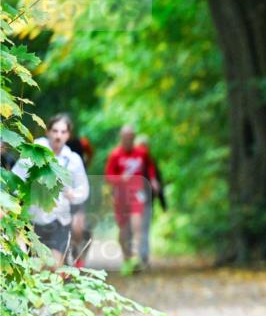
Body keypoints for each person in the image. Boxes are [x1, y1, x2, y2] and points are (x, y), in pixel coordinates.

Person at [12, 114, 90, 268]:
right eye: (55, 131)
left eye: (63, 132)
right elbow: (15, 180)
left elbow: (84, 189)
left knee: (54, 266)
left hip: (59, 220)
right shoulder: (34, 153)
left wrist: (74, 195)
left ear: (68, 135)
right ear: (47, 132)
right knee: (35, 268)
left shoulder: (73, 160)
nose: (58, 136)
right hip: (33, 219)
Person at [105, 125, 158, 270]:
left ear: (134, 138)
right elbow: (108, 176)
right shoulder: (115, 155)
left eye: (131, 138)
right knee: (124, 229)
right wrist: (120, 178)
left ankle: (137, 258)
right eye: (125, 138)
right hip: (121, 196)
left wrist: (153, 180)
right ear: (121, 138)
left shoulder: (142, 153)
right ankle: (127, 257)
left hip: (137, 193)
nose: (128, 141)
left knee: (137, 225)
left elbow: (151, 166)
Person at [134, 134, 162, 268]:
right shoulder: (131, 160)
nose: (143, 149)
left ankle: (143, 256)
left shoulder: (151, 162)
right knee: (137, 228)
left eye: (145, 146)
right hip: (132, 200)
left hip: (147, 199)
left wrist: (162, 203)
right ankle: (135, 257)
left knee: (144, 228)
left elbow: (158, 181)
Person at [65, 133, 93, 266]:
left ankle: (78, 259)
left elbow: (90, 153)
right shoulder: (52, 146)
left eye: (65, 130)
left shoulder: (82, 142)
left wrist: (85, 167)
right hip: (61, 194)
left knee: (81, 229)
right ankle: (64, 263)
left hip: (77, 190)